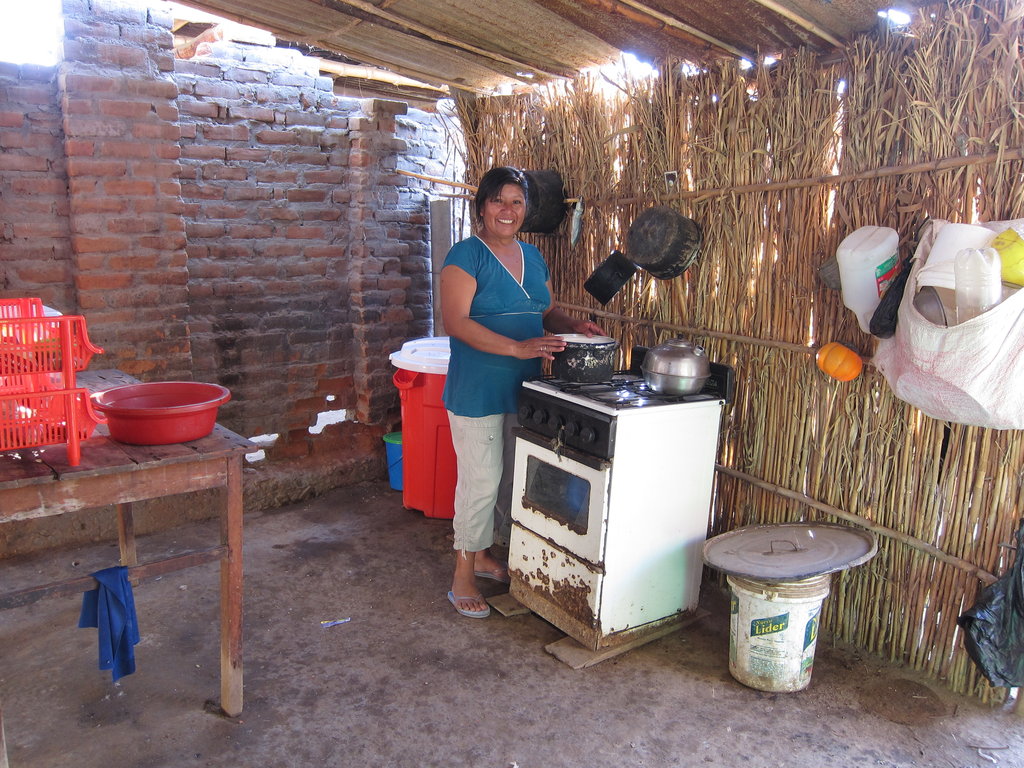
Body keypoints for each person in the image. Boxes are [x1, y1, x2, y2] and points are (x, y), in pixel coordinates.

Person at [440, 166, 605, 619]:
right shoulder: (465, 256)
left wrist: (572, 326)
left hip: (528, 387)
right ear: (481, 208)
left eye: (516, 202)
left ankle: (485, 553)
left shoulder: (532, 256)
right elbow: (456, 323)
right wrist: (517, 347)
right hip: (478, 388)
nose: (508, 210)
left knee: (511, 480)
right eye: (498, 201)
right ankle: (462, 575)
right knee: (480, 483)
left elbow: (544, 310)